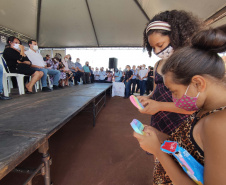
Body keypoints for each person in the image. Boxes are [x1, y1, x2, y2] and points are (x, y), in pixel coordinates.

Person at [134, 25, 226, 185]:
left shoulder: (218, 124)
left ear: (198, 83)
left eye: (174, 91)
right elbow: (189, 150)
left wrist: (158, 151)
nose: (174, 99)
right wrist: (158, 137)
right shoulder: (205, 108)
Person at [137, 10, 201, 135]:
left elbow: (194, 106)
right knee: (158, 149)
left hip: (181, 123)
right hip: (159, 118)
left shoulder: (190, 64)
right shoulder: (158, 65)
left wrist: (159, 106)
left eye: (160, 45)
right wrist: (147, 98)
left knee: (175, 152)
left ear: (176, 37)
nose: (157, 51)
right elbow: (156, 90)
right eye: (153, 47)